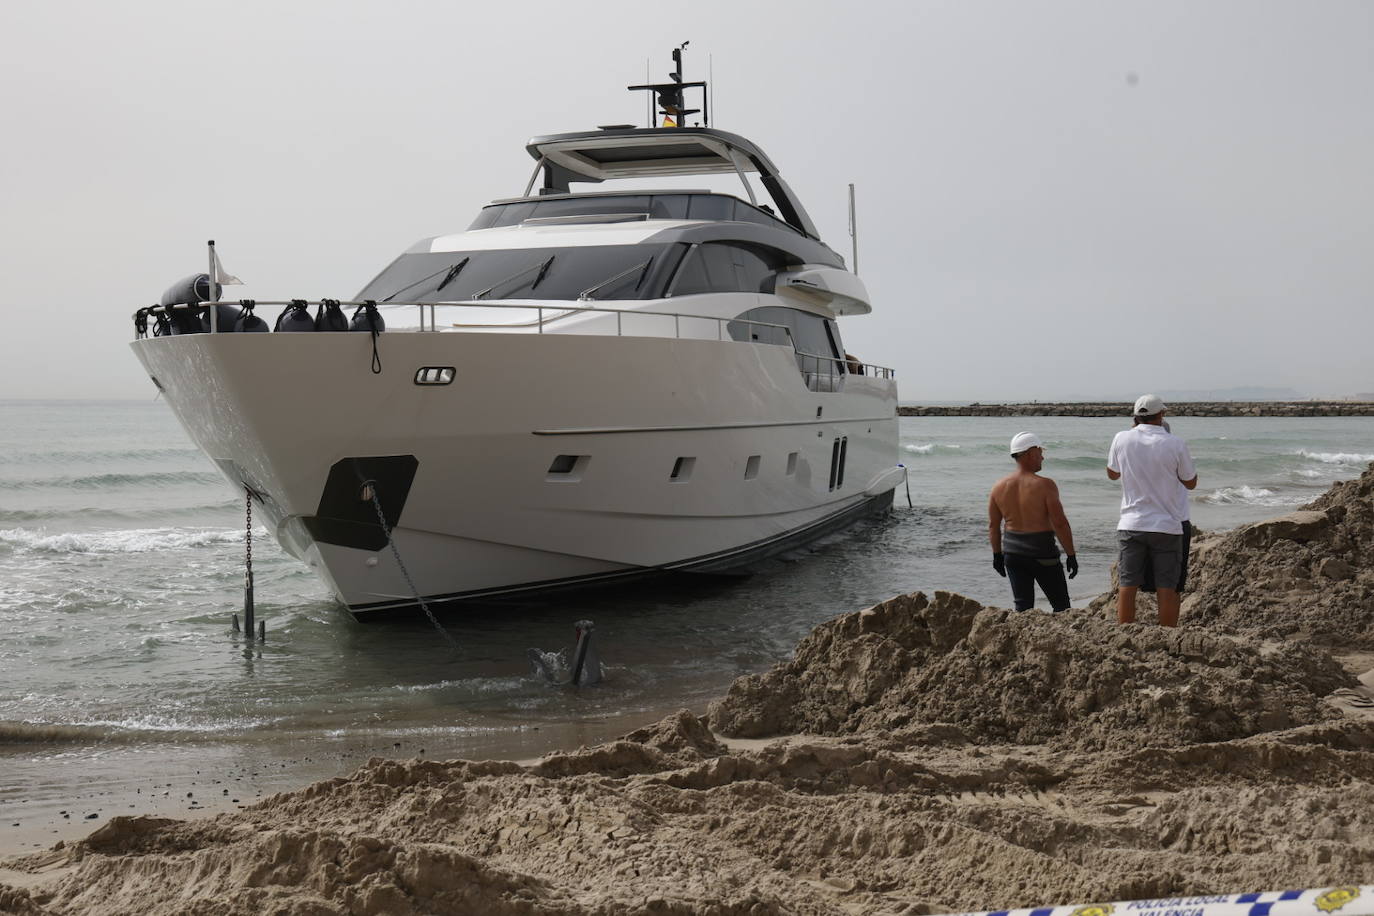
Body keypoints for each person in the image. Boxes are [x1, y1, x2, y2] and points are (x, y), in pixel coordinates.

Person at [1106, 394, 1198, 626]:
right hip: (1167, 524)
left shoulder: (1121, 438)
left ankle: (1125, 632)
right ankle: (1166, 634)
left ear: (1136, 417)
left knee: (1127, 584)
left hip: (1131, 523)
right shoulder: (1175, 443)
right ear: (1162, 414)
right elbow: (1191, 482)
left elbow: (1112, 473)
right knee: (1167, 586)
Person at [988, 431, 1079, 612]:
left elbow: (993, 526)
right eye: (1039, 452)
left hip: (1013, 555)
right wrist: (1071, 555)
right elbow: (1060, 523)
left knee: (1022, 607)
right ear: (1030, 453)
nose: (1042, 457)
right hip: (1042, 554)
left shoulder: (998, 486)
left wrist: (997, 555)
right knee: (1062, 607)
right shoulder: (1045, 485)